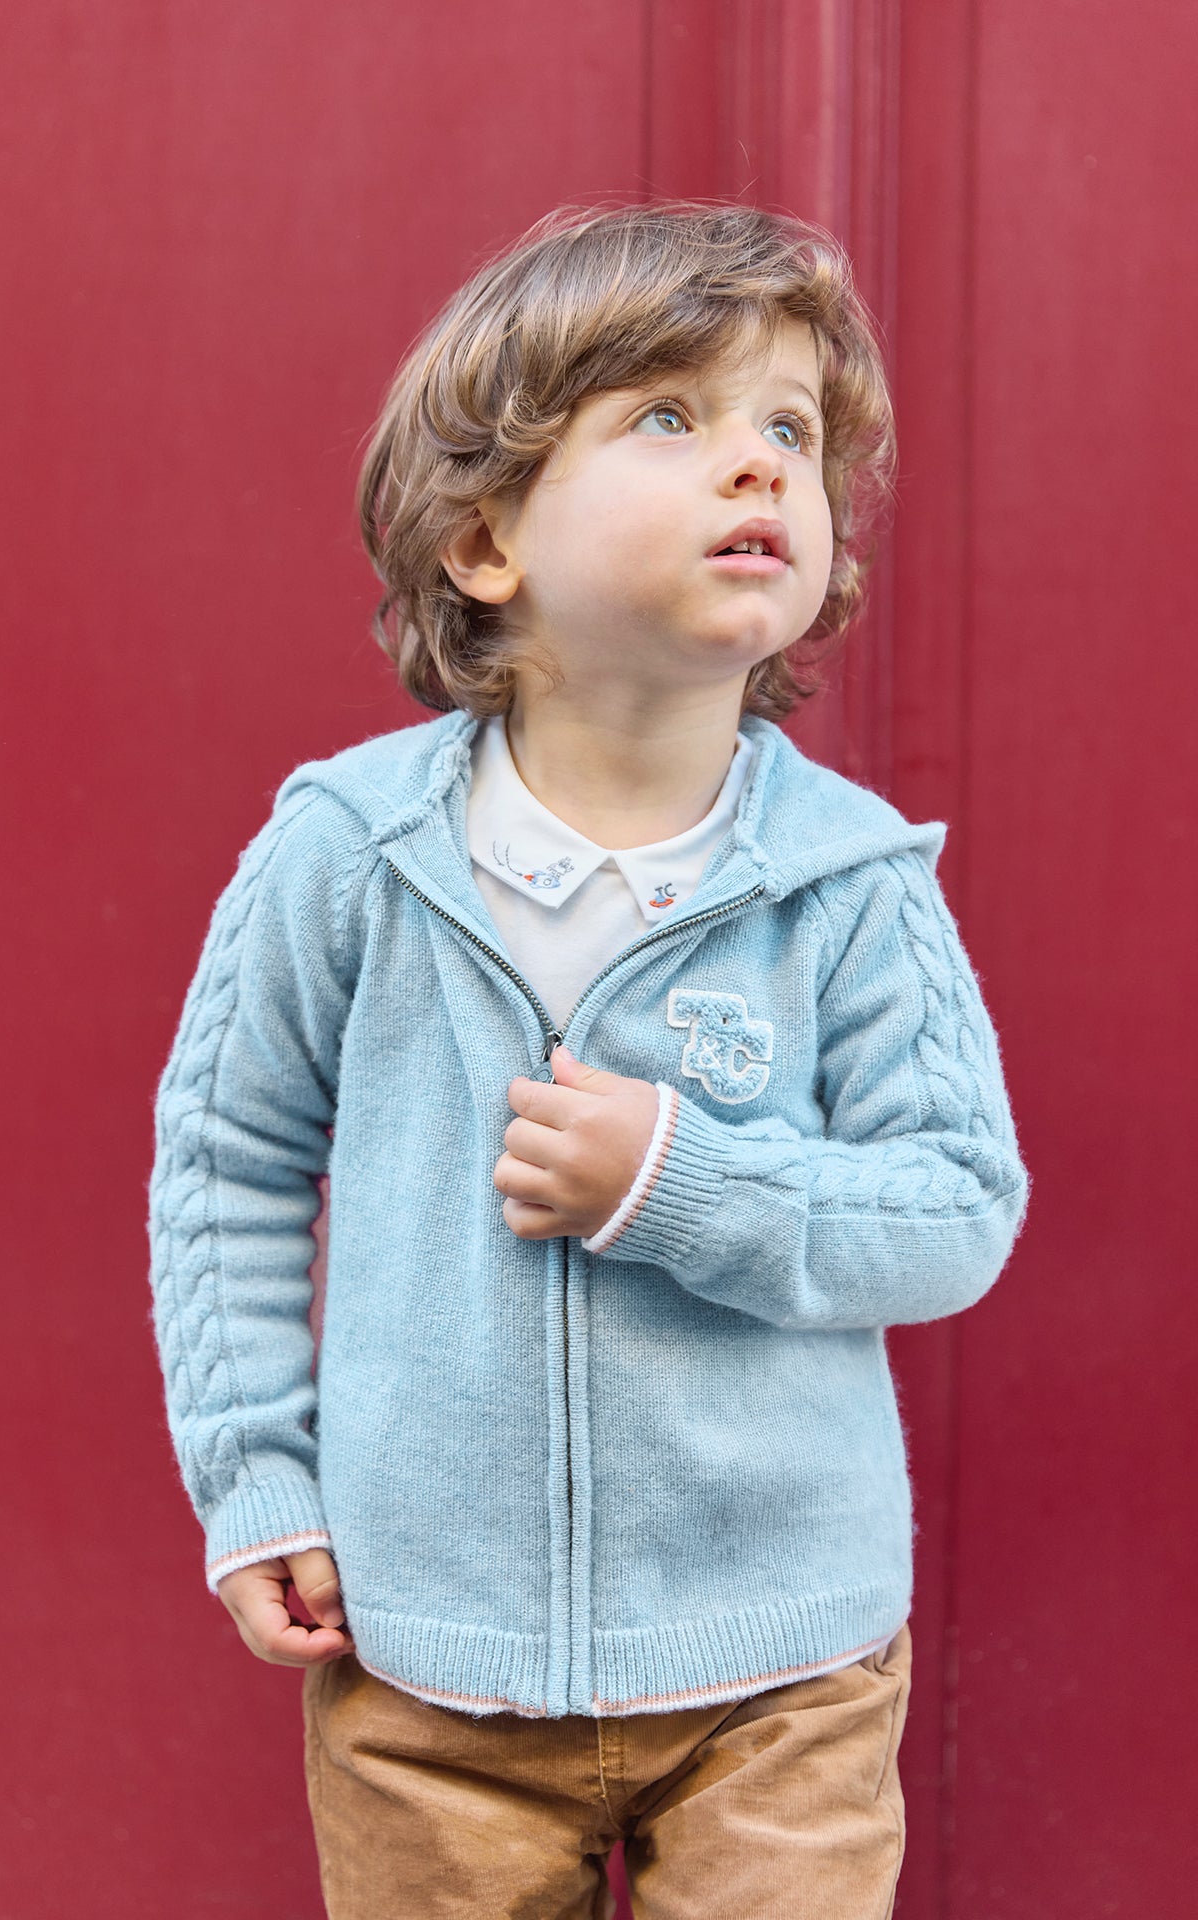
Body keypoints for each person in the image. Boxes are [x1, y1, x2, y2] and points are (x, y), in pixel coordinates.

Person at [147, 202, 1028, 1918]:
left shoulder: (848, 880)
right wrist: (256, 1478)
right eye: (671, 421)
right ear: (486, 542)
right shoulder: (348, 849)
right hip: (428, 1673)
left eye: (790, 430)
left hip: (784, 1675)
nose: (759, 468)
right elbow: (231, 1157)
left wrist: (681, 1184)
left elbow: (958, 1206)